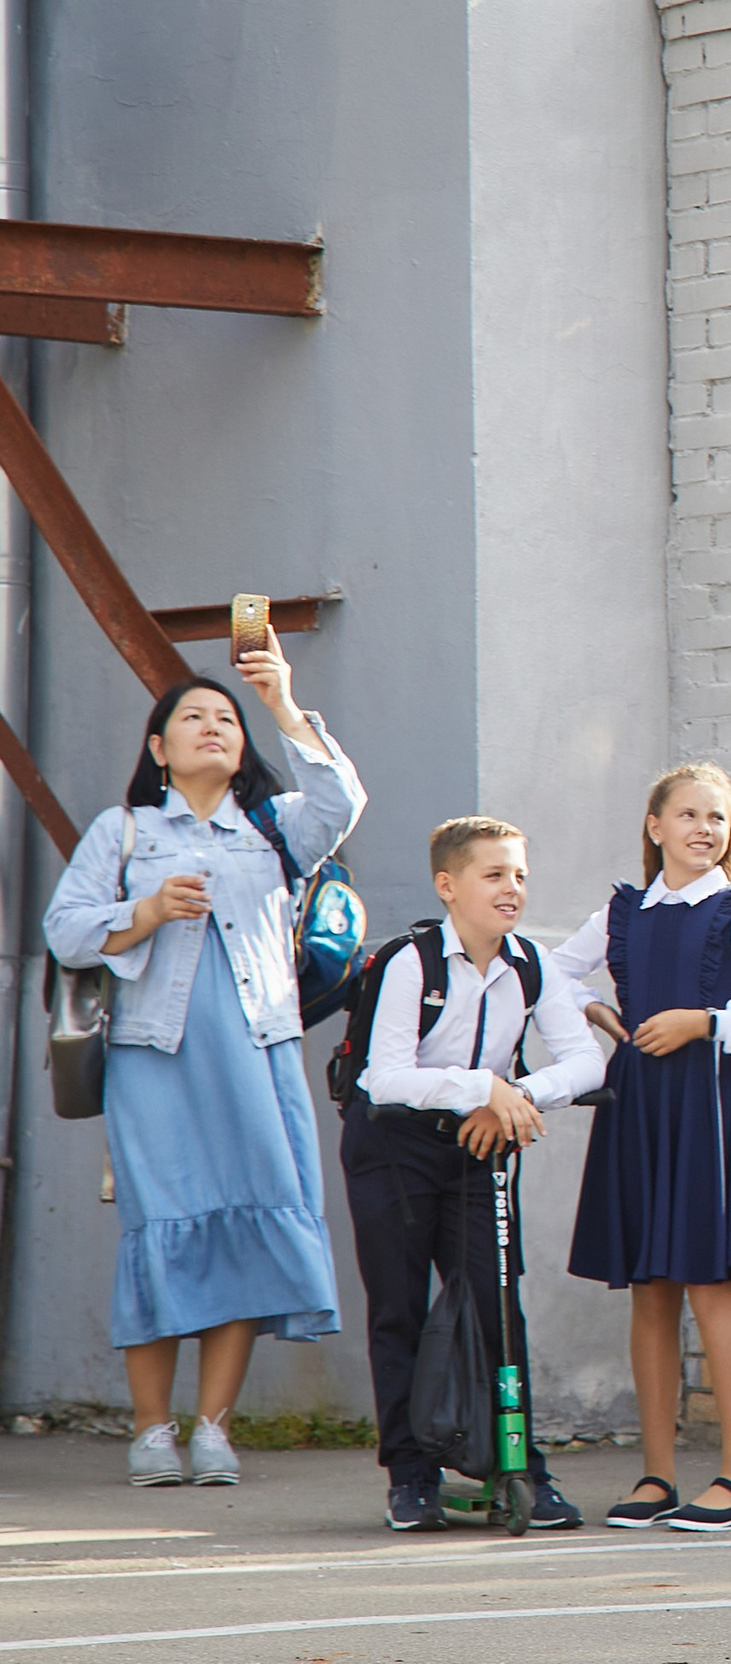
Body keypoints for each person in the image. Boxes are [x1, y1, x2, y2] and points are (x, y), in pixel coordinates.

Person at [43, 647, 364, 1489]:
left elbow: (343, 801)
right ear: (157, 748)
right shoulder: (126, 831)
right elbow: (65, 930)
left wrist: (285, 703)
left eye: (226, 718)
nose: (214, 726)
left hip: (257, 1047)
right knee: (164, 1229)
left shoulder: (273, 824)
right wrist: (144, 910)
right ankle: (153, 1429)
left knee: (249, 1225)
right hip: (157, 1054)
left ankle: (214, 1426)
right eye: (193, 716)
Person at [556, 762, 731, 1533]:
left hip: (709, 1105)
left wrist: (707, 1022)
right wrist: (601, 1013)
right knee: (649, 1289)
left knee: (712, 1288)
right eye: (692, 815)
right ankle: (657, 1474)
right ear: (654, 825)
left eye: (720, 818)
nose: (707, 829)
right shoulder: (623, 912)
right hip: (640, 1104)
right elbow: (553, 974)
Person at [346, 817, 605, 1530]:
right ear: (448, 885)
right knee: (400, 1311)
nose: (511, 888)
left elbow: (586, 1061)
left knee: (494, 1308)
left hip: (478, 1145)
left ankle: (518, 1466)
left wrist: (515, 1096)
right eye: (494, 875)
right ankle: (411, 1476)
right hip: (394, 1146)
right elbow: (386, 1075)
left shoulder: (531, 963)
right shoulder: (412, 961)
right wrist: (479, 1087)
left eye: (519, 874)